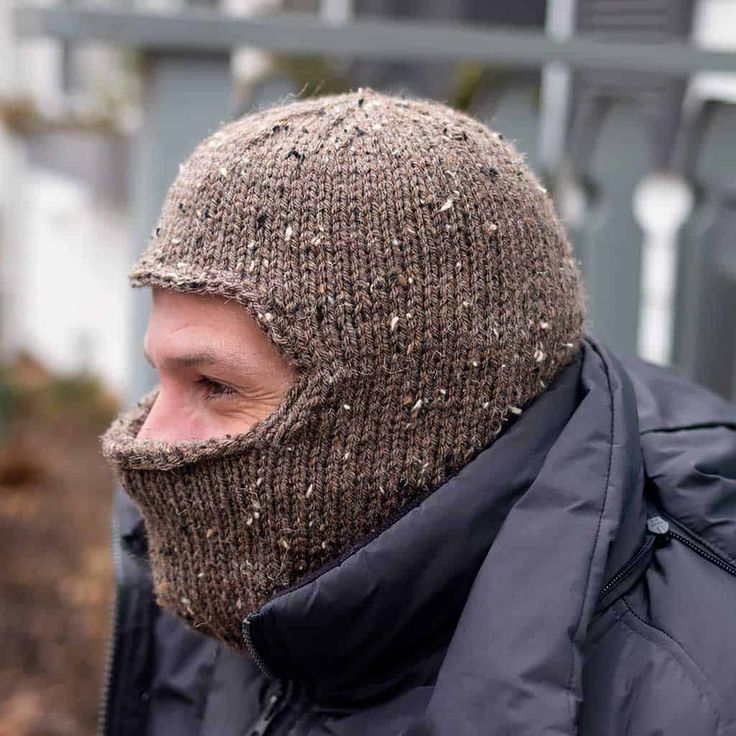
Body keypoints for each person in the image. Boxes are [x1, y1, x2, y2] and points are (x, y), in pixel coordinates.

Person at [99, 89, 736, 736]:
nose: (153, 440)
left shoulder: (695, 695)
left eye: (214, 385)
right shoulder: (215, 565)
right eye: (163, 377)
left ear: (404, 411)